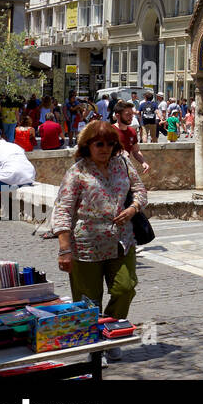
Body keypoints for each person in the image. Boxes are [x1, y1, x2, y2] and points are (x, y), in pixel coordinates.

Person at [52, 120, 148, 360]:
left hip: (121, 241)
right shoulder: (78, 172)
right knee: (88, 300)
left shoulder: (123, 164)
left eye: (109, 143)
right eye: (99, 144)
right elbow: (62, 210)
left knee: (125, 288)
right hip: (86, 246)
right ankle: (93, 348)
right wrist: (64, 250)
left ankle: (110, 331)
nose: (104, 148)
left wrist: (134, 208)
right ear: (88, 145)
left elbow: (140, 190)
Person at [113, 100, 150, 173]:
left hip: (124, 170)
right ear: (118, 116)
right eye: (128, 114)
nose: (131, 117)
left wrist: (143, 162)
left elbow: (135, 151)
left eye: (132, 114)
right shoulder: (109, 131)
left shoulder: (132, 132)